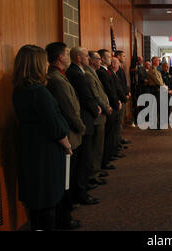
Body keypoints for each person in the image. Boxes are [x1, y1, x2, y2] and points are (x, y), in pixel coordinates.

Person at [13, 45, 73, 231]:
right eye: (44, 60)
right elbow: (54, 125)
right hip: (45, 149)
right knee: (47, 196)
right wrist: (67, 144)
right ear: (37, 65)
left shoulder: (19, 90)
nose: (48, 63)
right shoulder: (39, 92)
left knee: (36, 197)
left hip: (29, 146)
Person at [45, 42, 85, 230]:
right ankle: (64, 218)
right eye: (66, 53)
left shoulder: (60, 76)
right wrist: (80, 125)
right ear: (60, 57)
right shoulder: (56, 79)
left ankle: (67, 210)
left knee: (73, 172)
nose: (68, 56)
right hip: (70, 132)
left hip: (73, 132)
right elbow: (69, 108)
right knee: (66, 178)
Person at [66, 47, 100, 205]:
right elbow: (86, 96)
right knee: (83, 159)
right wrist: (96, 109)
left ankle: (82, 189)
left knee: (85, 158)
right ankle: (81, 192)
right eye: (86, 56)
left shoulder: (78, 71)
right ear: (79, 58)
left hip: (87, 117)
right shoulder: (76, 73)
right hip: (85, 119)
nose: (89, 59)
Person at [85, 51, 113, 184]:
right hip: (98, 115)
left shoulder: (93, 72)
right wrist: (106, 106)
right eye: (98, 59)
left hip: (102, 112)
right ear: (91, 60)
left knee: (99, 145)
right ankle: (93, 174)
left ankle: (96, 170)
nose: (100, 61)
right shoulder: (89, 74)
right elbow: (96, 95)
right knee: (96, 146)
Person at [97, 49, 122, 168]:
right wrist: (115, 103)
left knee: (112, 133)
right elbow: (108, 90)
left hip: (114, 103)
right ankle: (105, 160)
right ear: (102, 59)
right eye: (108, 57)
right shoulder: (102, 72)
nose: (110, 58)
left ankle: (110, 154)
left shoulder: (107, 71)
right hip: (110, 105)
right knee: (108, 135)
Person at [114, 51, 131, 145]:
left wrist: (127, 92)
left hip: (123, 96)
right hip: (120, 97)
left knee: (121, 120)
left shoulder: (120, 68)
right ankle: (117, 141)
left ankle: (119, 139)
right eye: (123, 56)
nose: (125, 58)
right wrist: (124, 94)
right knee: (118, 121)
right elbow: (118, 85)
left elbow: (124, 83)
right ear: (118, 56)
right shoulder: (116, 70)